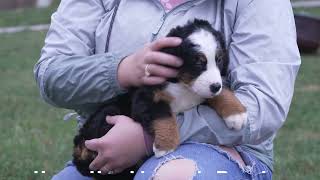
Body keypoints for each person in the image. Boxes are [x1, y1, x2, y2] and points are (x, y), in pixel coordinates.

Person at [34, 0, 300, 179]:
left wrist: (147, 139)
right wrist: (120, 70)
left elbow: (264, 105)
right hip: (105, 151)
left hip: (223, 151)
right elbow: (52, 74)